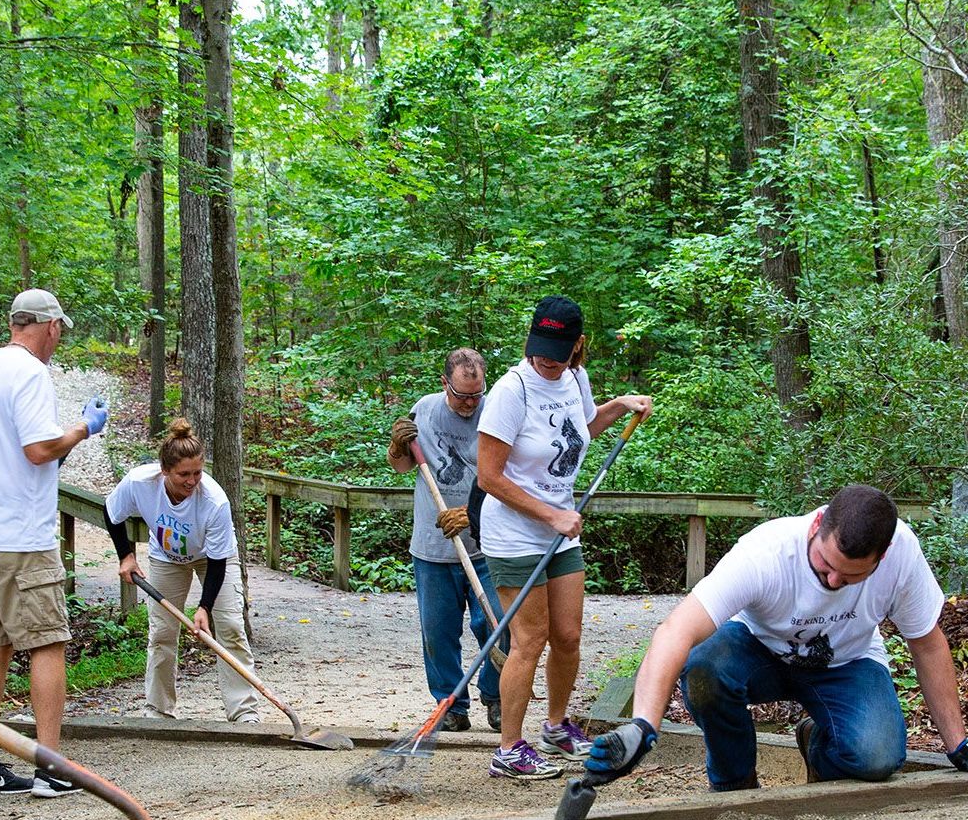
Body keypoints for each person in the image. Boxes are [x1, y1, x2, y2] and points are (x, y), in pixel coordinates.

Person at [582, 483, 968, 793]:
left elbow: (927, 643)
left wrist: (958, 745)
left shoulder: (902, 554)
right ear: (817, 526)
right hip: (758, 651)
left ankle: (818, 744)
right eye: (826, 565)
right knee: (703, 668)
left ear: (880, 558)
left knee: (878, 758)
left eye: (850, 577)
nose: (833, 581)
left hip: (846, 662)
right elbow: (675, 631)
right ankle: (737, 785)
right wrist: (643, 726)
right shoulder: (766, 552)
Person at [475, 296, 652, 778]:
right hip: (515, 532)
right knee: (528, 638)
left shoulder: (574, 378)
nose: (546, 359)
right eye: (540, 347)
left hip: (560, 528)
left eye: (557, 349)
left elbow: (581, 432)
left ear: (577, 345)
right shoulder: (514, 390)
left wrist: (618, 406)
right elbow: (489, 477)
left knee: (568, 636)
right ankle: (510, 748)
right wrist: (550, 515)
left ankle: (556, 727)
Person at [0, 288, 107, 797]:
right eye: (60, 332)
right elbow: (38, 449)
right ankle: (51, 766)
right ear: (51, 326)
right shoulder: (31, 373)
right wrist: (83, 428)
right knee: (47, 641)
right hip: (18, 537)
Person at [103, 418, 262, 722]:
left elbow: (217, 562)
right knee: (162, 632)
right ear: (164, 471)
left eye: (197, 473)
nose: (192, 481)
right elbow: (112, 513)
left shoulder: (214, 501)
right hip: (166, 557)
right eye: (183, 475)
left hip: (212, 558)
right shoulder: (139, 483)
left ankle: (243, 713)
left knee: (229, 628)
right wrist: (126, 556)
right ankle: (158, 710)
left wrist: (204, 606)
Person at [387, 348, 505, 733]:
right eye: (462, 395)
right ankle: (450, 703)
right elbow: (403, 466)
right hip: (433, 545)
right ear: (444, 384)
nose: (470, 403)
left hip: (488, 544)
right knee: (438, 632)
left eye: (476, 394)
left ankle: (497, 694)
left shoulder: (497, 412)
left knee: (497, 623)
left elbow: (510, 476)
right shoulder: (426, 409)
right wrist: (397, 446)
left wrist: (472, 516)